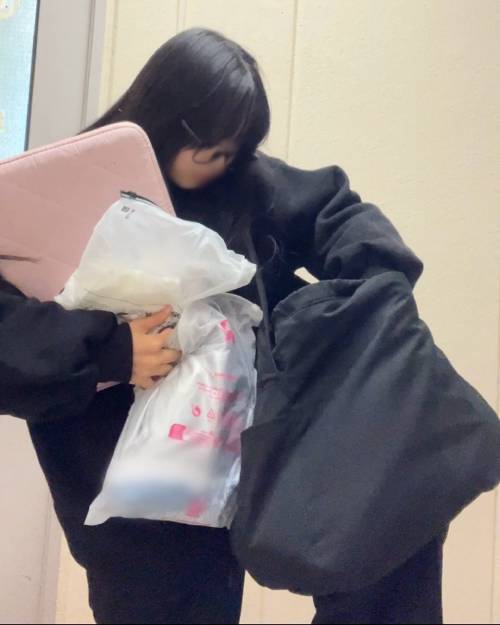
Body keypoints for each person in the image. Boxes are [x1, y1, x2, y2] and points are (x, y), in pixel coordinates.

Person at [1, 27, 449, 624]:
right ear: (168, 119)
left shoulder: (242, 180)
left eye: (235, 151)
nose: (222, 164)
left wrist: (367, 298)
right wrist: (113, 348)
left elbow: (337, 213)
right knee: (167, 599)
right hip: (136, 493)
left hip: (253, 443)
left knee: (393, 525)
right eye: (211, 149)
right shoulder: (52, 194)